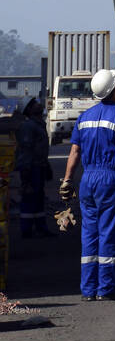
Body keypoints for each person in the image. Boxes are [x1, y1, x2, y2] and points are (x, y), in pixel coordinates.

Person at [59, 69, 115, 302]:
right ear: (113, 89)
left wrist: (67, 180)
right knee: (110, 233)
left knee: (90, 233)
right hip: (109, 180)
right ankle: (107, 289)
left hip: (88, 181)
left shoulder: (84, 118)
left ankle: (88, 289)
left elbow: (74, 151)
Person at [15, 98, 52, 239]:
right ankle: (26, 230)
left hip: (39, 166)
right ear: (29, 110)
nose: (39, 104)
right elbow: (26, 150)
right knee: (29, 197)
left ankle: (41, 228)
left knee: (38, 197)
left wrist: (46, 165)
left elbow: (40, 149)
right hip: (31, 168)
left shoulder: (38, 124)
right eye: (34, 104)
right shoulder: (28, 126)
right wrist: (25, 171)